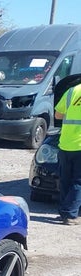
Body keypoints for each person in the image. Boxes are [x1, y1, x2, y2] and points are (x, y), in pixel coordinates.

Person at [54, 82, 81, 225]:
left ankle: (64, 213)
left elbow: (58, 115)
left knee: (65, 179)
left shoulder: (72, 91)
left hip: (65, 144)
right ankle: (70, 215)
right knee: (78, 181)